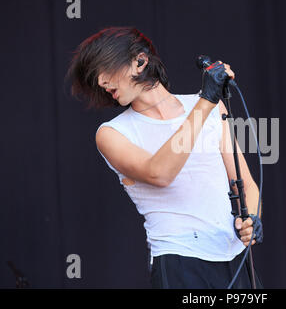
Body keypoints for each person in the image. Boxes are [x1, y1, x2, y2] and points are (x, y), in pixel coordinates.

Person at [65, 26, 263, 288]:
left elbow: (245, 181)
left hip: (235, 258)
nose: (101, 82)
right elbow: (160, 173)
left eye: (105, 69)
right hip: (180, 260)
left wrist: (252, 219)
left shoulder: (209, 107)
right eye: (95, 79)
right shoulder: (113, 133)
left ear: (140, 61)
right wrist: (206, 100)